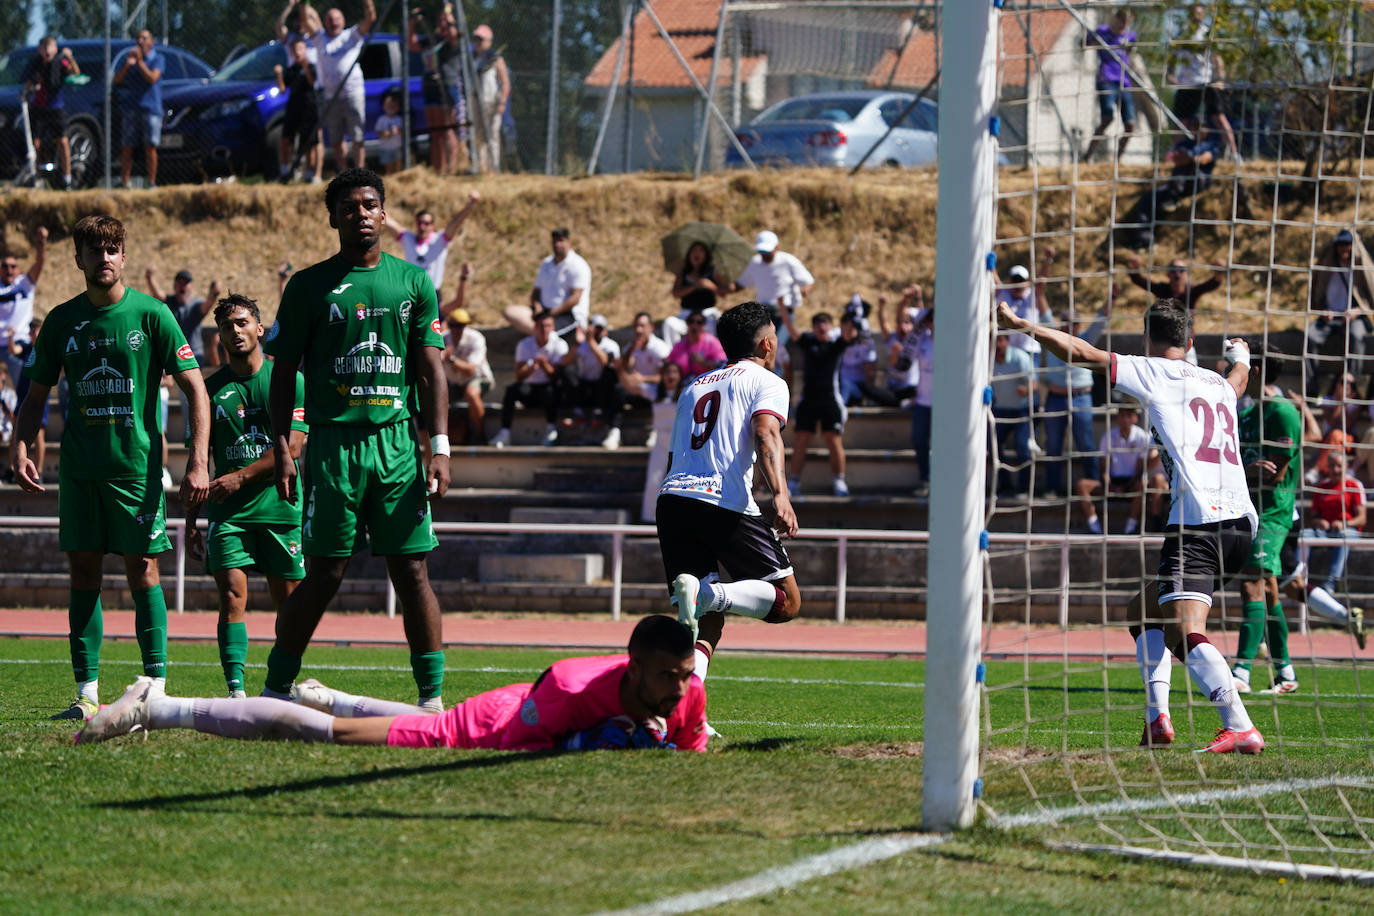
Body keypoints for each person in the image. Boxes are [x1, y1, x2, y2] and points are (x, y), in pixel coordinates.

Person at [997, 295, 1263, 754]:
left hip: (1197, 521)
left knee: (1183, 630)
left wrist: (1025, 325)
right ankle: (1157, 718)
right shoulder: (1218, 382)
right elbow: (1239, 381)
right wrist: (1241, 356)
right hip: (1241, 522)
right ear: (1191, 340)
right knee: (1142, 612)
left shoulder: (1152, 370)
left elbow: (1082, 353)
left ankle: (1238, 724)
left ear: (1147, 339)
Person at [261, 168, 450, 710]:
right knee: (324, 572)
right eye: (349, 207)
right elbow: (283, 371)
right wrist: (281, 444)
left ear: (384, 214)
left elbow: (432, 371)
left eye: (370, 205)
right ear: (333, 218)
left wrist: (440, 447)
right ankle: (276, 686)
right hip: (332, 446)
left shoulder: (413, 281)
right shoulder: (307, 285)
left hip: (396, 444)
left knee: (412, 570)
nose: (361, 214)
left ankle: (431, 699)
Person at [11, 214, 211, 720]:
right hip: (79, 472)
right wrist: (19, 445)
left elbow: (196, 389)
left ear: (123, 255)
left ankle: (156, 689)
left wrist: (198, 460)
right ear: (78, 258)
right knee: (82, 571)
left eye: (112, 248)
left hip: (135, 471)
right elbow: (34, 396)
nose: (104, 257)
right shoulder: (60, 320)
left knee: (143, 571)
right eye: (93, 250)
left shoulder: (153, 315)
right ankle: (86, 694)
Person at [77, 614, 708, 752]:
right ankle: (158, 707)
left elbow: (689, 748)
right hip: (503, 723)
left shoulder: (686, 689)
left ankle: (329, 692)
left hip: (515, 711)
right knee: (336, 736)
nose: (677, 692)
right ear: (632, 668)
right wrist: (603, 741)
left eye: (682, 678)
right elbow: (530, 743)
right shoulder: (573, 687)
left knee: (419, 719)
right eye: (665, 678)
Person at [658, 300, 801, 698]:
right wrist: (782, 495)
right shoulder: (768, 381)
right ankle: (708, 593)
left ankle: (686, 709)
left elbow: (675, 454)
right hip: (720, 500)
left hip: (672, 499)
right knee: (786, 602)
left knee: (705, 622)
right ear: (767, 344)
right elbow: (766, 431)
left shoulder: (694, 385)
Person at [186, 295, 307, 697]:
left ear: (261, 329)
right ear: (219, 335)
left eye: (242, 323)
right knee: (232, 596)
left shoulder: (289, 380)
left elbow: (295, 446)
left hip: (280, 507)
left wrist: (239, 476)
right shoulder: (208, 390)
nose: (235, 331)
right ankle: (235, 689)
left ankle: (281, 685)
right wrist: (190, 521)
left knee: (290, 607)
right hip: (229, 514)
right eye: (226, 326)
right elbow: (198, 459)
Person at [1223, 347, 1305, 696]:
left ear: (1254, 371)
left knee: (1251, 586)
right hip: (1251, 509)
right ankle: (1285, 673)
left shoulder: (1283, 413)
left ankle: (1240, 671)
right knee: (1269, 590)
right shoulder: (1249, 414)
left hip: (1274, 512)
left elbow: (1275, 474)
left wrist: (1248, 471)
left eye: (1241, 366)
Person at [1119, 118, 1222, 250]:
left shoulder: (1211, 144)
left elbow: (1204, 159)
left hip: (1197, 183)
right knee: (1148, 199)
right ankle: (1144, 239)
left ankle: (1173, 198)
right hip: (1176, 184)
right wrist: (1190, 158)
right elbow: (1176, 159)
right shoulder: (1185, 143)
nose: (1197, 129)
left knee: (1189, 167)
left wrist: (1190, 158)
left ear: (1207, 128)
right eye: (1194, 125)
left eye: (1200, 126)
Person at [301, 1, 377, 172]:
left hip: (352, 94)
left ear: (343, 21)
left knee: (357, 137)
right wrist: (302, 5)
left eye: (336, 19)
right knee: (336, 140)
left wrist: (368, 3)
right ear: (325, 22)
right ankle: (344, 173)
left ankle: (359, 173)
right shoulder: (320, 38)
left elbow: (370, 19)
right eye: (329, 19)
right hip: (331, 97)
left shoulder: (352, 35)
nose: (333, 22)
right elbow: (306, 22)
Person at [1040, 309, 1108, 500]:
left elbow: (1100, 320)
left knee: (1086, 444)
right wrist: (1040, 292)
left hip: (1081, 399)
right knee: (1053, 445)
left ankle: (1093, 485)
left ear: (1079, 325)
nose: (1069, 325)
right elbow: (1044, 312)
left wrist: (1111, 298)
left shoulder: (1087, 339)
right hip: (1055, 398)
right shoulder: (1052, 336)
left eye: (1074, 322)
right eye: (1065, 321)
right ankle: (1052, 488)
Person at [786, 311, 853, 498]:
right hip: (808, 400)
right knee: (801, 439)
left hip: (830, 400)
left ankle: (839, 480)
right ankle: (794, 482)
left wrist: (851, 316)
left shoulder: (836, 344)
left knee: (833, 439)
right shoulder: (808, 343)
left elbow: (849, 333)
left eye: (825, 324)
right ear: (814, 327)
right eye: (818, 324)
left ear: (831, 326)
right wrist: (783, 307)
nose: (821, 327)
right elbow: (793, 332)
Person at [1168, 4, 1240, 163]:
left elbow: (1217, 59)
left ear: (1203, 16)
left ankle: (1234, 154)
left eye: (1199, 14)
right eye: (1193, 14)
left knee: (1219, 118)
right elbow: (1172, 60)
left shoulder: (1208, 35)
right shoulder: (1182, 36)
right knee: (1181, 122)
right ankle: (1176, 154)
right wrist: (1170, 75)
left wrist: (1219, 79)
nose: (1196, 17)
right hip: (1187, 84)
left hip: (1207, 82)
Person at [1305, 229, 1374, 389]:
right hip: (1329, 318)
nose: (1344, 248)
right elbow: (1317, 295)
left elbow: (1369, 299)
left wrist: (1358, 311)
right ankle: (1311, 387)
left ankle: (1352, 381)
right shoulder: (1327, 267)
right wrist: (1322, 310)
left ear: (1353, 246)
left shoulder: (1361, 268)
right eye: (1340, 244)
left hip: (1354, 318)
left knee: (1357, 336)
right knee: (1310, 336)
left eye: (1347, 244)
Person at [491, 309, 569, 448]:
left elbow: (556, 377)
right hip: (530, 388)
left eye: (547, 326)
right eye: (541, 326)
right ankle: (504, 433)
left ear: (553, 327)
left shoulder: (560, 345)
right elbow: (518, 375)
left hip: (549, 391)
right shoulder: (525, 344)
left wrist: (544, 365)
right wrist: (531, 368)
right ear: (535, 327)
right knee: (511, 390)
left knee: (552, 391)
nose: (544, 330)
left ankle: (551, 429)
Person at [732, 231, 814, 364]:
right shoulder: (755, 263)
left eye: (767, 251)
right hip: (765, 313)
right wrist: (727, 288)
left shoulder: (787, 261)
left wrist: (805, 290)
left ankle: (776, 378)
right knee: (762, 347)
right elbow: (741, 283)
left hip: (784, 313)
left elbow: (808, 281)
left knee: (776, 346)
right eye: (762, 251)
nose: (764, 254)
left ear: (777, 247)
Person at [384, 191, 480, 297]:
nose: (422, 226)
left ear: (432, 226)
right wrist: (375, 208)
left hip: (433, 294)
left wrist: (470, 205)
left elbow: (456, 223)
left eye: (426, 223)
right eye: (419, 223)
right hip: (412, 293)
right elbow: (389, 223)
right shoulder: (408, 239)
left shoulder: (440, 240)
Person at [1300, 448, 1366, 599]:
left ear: (1346, 467)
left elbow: (1362, 519)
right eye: (1332, 466)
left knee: (1343, 536)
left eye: (1339, 466)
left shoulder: (1354, 485)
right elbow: (1313, 517)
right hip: (1324, 531)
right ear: (1327, 467)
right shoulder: (1321, 487)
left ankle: (1330, 584)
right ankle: (1299, 580)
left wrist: (1344, 523)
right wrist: (1319, 522)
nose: (1335, 470)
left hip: (1348, 531)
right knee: (1304, 534)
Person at [502, 228, 592, 339]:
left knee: (547, 328)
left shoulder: (578, 265)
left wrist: (553, 313)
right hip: (543, 312)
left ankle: (544, 333)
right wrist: (537, 306)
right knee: (510, 311)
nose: (557, 244)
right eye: (554, 241)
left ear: (568, 242)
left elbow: (575, 298)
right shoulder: (547, 263)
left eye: (561, 241)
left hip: (567, 315)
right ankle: (542, 333)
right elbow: (536, 291)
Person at [1078, 403, 1151, 534]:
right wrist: (1109, 483)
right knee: (1082, 485)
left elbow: (1141, 469)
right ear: (1117, 417)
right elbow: (1103, 466)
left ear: (1135, 418)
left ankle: (1131, 526)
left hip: (1132, 483)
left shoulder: (1143, 437)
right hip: (1112, 482)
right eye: (1122, 415)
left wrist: (1127, 486)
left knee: (1144, 485)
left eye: (1129, 416)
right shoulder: (1108, 436)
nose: (1125, 419)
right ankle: (1094, 526)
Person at [409, 10, 466, 176]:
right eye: (440, 20)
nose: (443, 24)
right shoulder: (430, 40)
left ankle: (452, 169)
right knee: (435, 132)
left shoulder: (452, 40)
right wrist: (412, 22)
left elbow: (454, 34)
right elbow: (411, 44)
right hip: (429, 87)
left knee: (447, 129)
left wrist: (448, 12)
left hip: (446, 87)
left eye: (446, 21)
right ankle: (438, 170)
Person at [274, 2, 325, 182]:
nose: (300, 24)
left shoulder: (316, 38)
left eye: (303, 21)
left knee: (314, 136)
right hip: (295, 89)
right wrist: (290, 6)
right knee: (288, 135)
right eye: (298, 21)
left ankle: (315, 174)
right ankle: (287, 171)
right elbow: (279, 26)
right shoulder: (291, 40)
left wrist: (306, 5)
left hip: (314, 90)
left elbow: (317, 22)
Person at [21, 37, 79, 189]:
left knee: (63, 141)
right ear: (39, 50)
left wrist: (69, 57)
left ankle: (67, 177)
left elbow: (75, 72)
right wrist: (29, 88)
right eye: (43, 47)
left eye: (50, 47)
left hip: (56, 108)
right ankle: (38, 176)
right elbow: (28, 82)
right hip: (39, 108)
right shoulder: (36, 64)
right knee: (36, 144)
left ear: (55, 49)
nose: (46, 51)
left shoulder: (60, 62)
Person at [1083, 8, 1137, 162]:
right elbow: (1084, 42)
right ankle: (1088, 155)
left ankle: (1117, 160)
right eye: (1122, 21)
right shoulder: (1102, 32)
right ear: (1116, 19)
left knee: (1130, 125)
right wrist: (1090, 41)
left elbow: (1132, 52)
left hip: (1124, 81)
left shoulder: (1130, 36)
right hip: (1106, 78)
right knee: (1107, 117)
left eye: (1127, 23)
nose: (1123, 26)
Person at [112, 30, 164, 189]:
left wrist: (140, 63)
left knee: (150, 146)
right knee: (127, 146)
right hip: (131, 109)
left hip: (151, 109)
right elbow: (117, 80)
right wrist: (128, 65)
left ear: (151, 42)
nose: (140, 41)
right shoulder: (130, 59)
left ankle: (152, 183)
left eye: (144, 38)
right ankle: (124, 182)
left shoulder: (157, 59)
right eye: (138, 38)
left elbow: (152, 78)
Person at [562, 315, 622, 449]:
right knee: (568, 372)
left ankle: (600, 415)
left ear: (605, 331)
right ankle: (577, 412)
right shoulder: (581, 345)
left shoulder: (611, 345)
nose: (597, 332)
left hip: (602, 390)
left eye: (600, 329)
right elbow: (564, 362)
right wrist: (576, 344)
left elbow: (606, 362)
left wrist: (591, 342)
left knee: (609, 375)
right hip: (584, 388)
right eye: (594, 328)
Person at [438, 300, 493, 446]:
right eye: (453, 325)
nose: (456, 329)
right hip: (454, 382)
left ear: (466, 326)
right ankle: (439, 439)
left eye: (460, 326)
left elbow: (471, 370)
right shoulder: (443, 338)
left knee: (472, 394)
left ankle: (481, 434)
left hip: (478, 378)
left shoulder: (476, 339)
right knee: (435, 396)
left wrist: (451, 359)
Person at [990, 331, 1036, 499]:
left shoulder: (1020, 358)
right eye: (994, 340)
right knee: (992, 445)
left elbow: (1034, 384)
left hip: (1021, 411)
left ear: (1008, 341)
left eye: (1001, 340)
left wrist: (1026, 390)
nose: (998, 344)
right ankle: (1005, 486)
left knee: (1022, 448)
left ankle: (1024, 488)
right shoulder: (988, 361)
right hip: (1000, 410)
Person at [617, 311, 673, 444]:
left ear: (651, 327)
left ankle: (657, 431)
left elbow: (665, 378)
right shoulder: (631, 347)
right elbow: (623, 368)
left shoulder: (660, 348)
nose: (638, 330)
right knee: (617, 390)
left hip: (654, 389)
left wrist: (643, 379)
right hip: (637, 390)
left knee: (661, 391)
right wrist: (631, 350)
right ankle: (615, 430)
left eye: (642, 326)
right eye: (636, 326)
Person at [0, 226, 47, 384]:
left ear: (18, 269)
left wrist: (41, 243)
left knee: (24, 390)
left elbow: (40, 262)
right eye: (5, 266)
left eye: (13, 266)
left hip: (20, 345)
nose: (9, 269)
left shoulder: (24, 283)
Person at [641, 361, 684, 523]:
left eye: (674, 372)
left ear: (680, 376)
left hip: (679, 443)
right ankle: (649, 520)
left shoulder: (687, 392)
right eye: (667, 372)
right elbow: (629, 383)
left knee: (680, 483)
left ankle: (681, 522)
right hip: (659, 441)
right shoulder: (655, 392)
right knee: (653, 481)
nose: (671, 376)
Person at [664, 242, 725, 347]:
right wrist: (693, 286)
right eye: (694, 251)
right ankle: (674, 356)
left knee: (717, 322)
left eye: (700, 251)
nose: (697, 253)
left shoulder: (712, 271)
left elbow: (723, 292)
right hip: (687, 314)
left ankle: (710, 354)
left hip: (707, 313)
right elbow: (675, 293)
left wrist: (710, 286)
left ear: (706, 255)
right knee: (670, 324)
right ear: (689, 254)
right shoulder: (682, 273)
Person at [902, 308, 935, 496]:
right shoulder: (921, 342)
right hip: (923, 402)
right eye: (931, 320)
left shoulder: (952, 342)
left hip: (945, 406)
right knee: (919, 440)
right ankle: (925, 480)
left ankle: (941, 481)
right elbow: (903, 362)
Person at [470, 24, 510, 174]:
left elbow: (505, 82)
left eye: (480, 39)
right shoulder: (472, 58)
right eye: (475, 39)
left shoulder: (495, 59)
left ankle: (493, 169)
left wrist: (502, 101)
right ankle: (481, 168)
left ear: (488, 41)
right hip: (476, 101)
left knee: (492, 135)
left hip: (491, 102)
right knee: (478, 136)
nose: (477, 42)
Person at [665, 312, 727, 383]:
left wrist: (703, 362)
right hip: (683, 385)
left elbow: (723, 366)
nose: (694, 325)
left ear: (704, 325)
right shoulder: (679, 345)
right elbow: (669, 363)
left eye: (699, 322)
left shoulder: (713, 343)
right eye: (691, 321)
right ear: (687, 324)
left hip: (708, 384)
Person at [837, 313, 879, 407]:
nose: (846, 331)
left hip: (858, 388)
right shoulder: (837, 339)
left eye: (849, 328)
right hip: (838, 385)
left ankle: (838, 411)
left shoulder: (865, 345)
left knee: (846, 384)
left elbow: (870, 374)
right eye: (843, 327)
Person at [374, 91, 404, 175]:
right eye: (388, 106)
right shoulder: (381, 119)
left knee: (398, 165)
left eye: (393, 106)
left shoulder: (399, 119)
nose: (390, 108)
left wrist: (398, 131)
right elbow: (378, 132)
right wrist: (384, 134)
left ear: (398, 108)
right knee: (389, 167)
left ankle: (398, 178)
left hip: (397, 147)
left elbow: (403, 131)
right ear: (384, 107)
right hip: (385, 148)